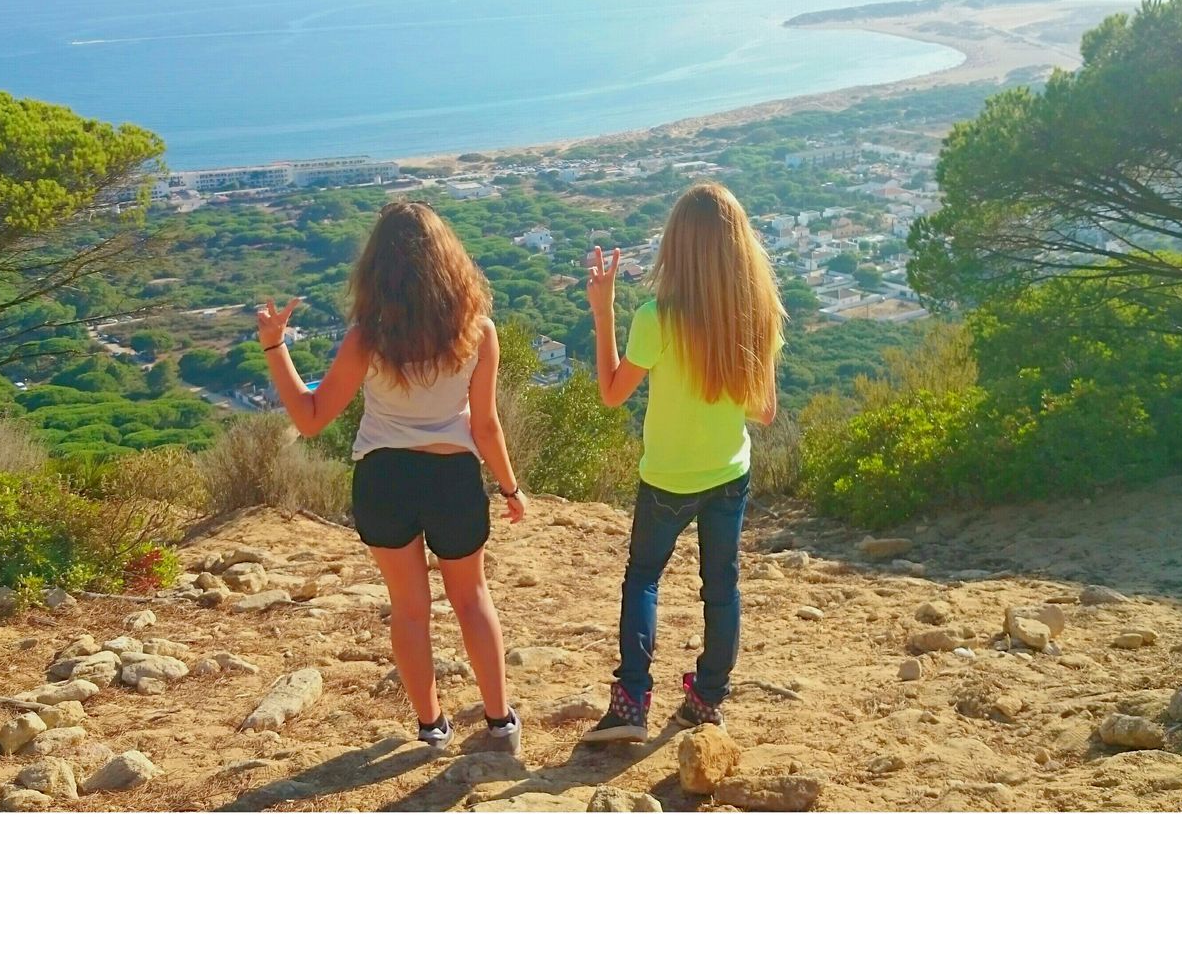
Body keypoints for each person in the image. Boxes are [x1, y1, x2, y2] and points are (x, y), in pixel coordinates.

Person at [256, 200, 528, 755]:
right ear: (449, 262)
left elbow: (309, 420)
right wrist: (509, 487)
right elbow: (486, 425)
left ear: (378, 269)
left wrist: (274, 346)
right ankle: (500, 722)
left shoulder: (367, 337)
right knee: (472, 598)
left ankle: (431, 728)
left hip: (384, 478)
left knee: (409, 608)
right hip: (452, 477)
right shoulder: (478, 332)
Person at [580, 182, 785, 743]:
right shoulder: (759, 313)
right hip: (728, 475)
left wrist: (604, 313)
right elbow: (763, 411)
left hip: (666, 477)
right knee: (721, 585)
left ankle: (630, 706)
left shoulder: (655, 318)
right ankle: (707, 699)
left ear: (676, 246)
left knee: (643, 578)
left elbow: (611, 393)